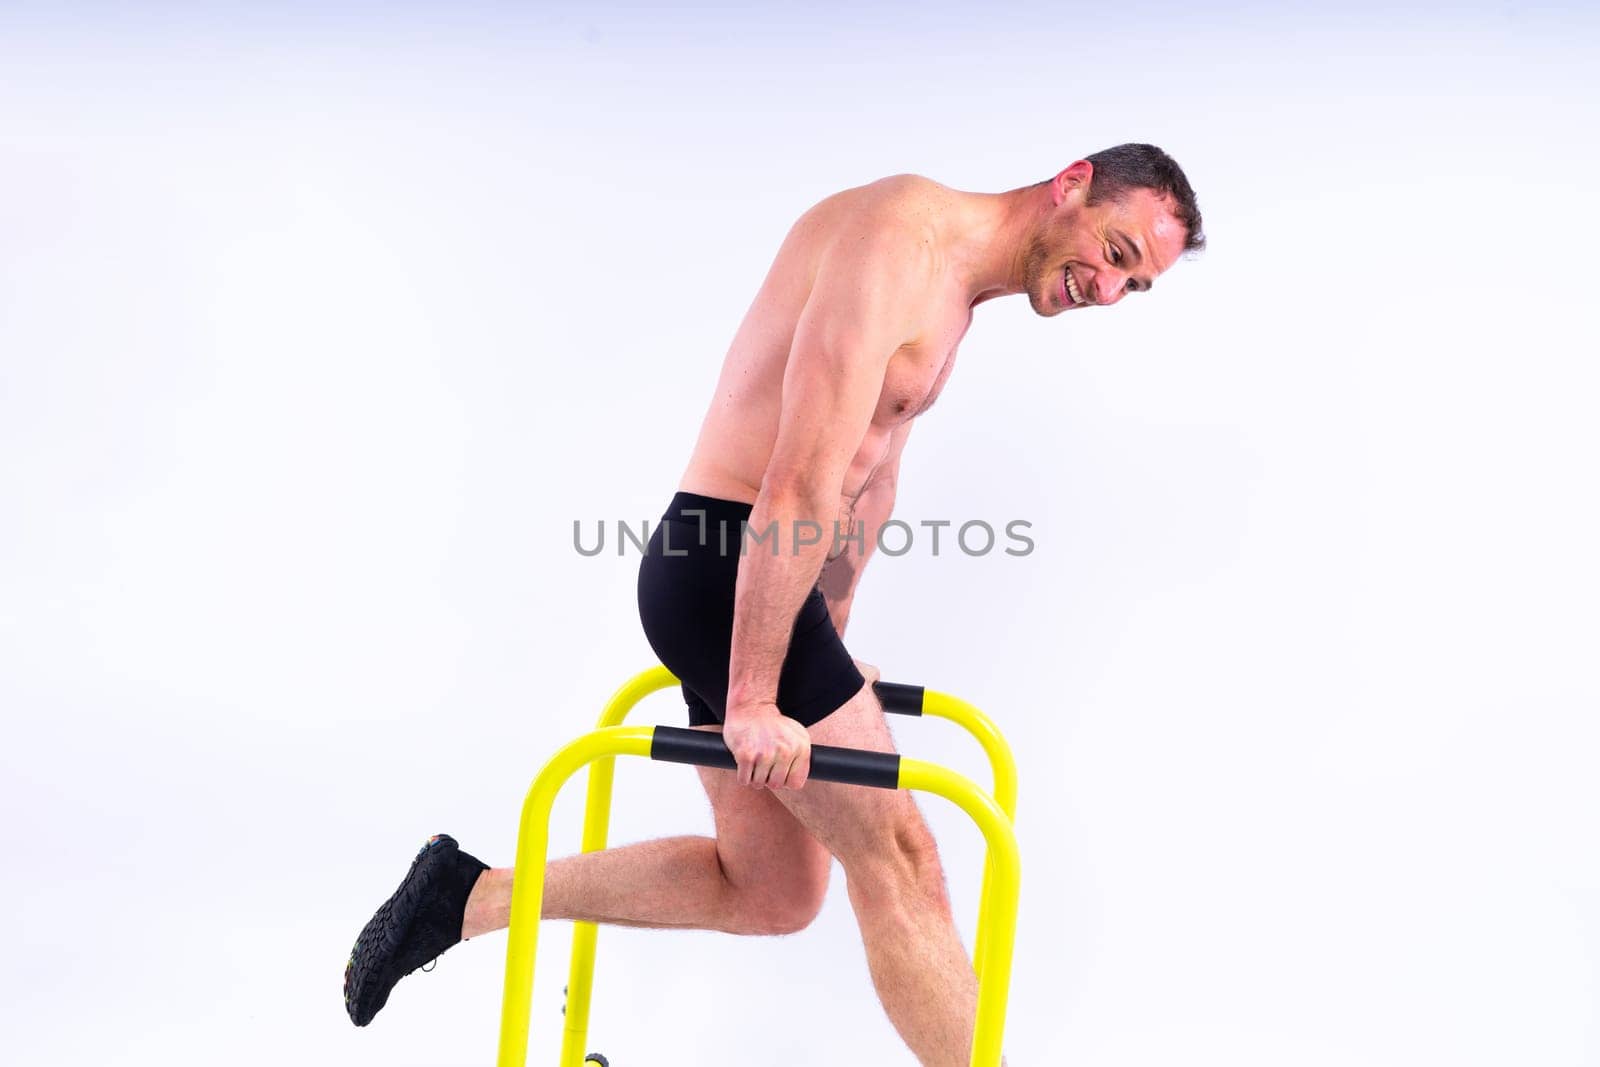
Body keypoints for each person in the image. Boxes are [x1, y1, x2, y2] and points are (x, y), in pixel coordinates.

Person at [345, 143, 1204, 1064]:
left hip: (755, 582)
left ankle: (463, 896)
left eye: (1135, 286)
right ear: (1072, 183)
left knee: (772, 891)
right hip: (726, 563)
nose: (1109, 293)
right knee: (902, 856)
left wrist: (825, 639)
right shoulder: (900, 242)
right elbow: (797, 481)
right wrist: (757, 690)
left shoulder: (958, 287)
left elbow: (869, 482)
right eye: (1117, 255)